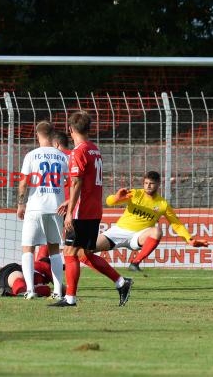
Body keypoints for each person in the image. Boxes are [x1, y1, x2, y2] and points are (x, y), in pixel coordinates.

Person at [49, 111, 133, 308]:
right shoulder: (94, 150)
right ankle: (121, 282)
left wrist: (70, 211)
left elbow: (77, 182)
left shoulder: (78, 152)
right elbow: (86, 184)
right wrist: (70, 200)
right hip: (93, 210)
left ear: (70, 130)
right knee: (82, 254)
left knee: (69, 251)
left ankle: (70, 299)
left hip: (81, 212)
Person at [95, 171, 209, 272]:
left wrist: (189, 240)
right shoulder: (135, 194)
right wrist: (116, 197)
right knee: (84, 250)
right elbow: (109, 202)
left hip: (139, 236)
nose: (148, 186)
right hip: (118, 232)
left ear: (158, 184)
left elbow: (176, 224)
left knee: (157, 231)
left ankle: (135, 263)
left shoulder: (162, 204)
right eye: (146, 183)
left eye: (151, 183)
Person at [17, 121, 68, 300]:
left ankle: (30, 290)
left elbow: (23, 182)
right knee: (54, 249)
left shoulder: (31, 155)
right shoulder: (63, 157)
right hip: (56, 207)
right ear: (53, 134)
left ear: (36, 135)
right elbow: (71, 180)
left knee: (28, 248)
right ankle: (57, 291)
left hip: (35, 207)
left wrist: (21, 204)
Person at [37, 130, 71, 261]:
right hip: (74, 206)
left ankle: (38, 270)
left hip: (56, 206)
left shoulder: (54, 158)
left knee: (47, 243)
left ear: (56, 144)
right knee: (74, 249)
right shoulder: (73, 156)